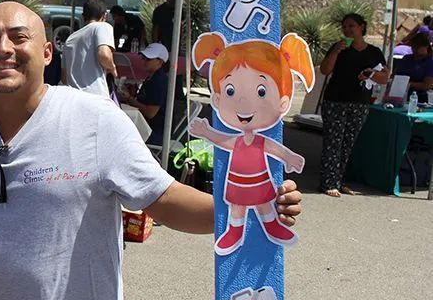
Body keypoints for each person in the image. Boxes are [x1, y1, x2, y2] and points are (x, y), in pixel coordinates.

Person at [0, 2, 302, 300]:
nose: (3, 48)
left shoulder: (94, 121)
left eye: (18, 37)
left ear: (48, 52)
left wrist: (250, 208)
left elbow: (165, 199)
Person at [190, 33, 314, 254]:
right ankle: (234, 231)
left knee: (265, 203)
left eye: (261, 91)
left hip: (259, 180)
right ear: (217, 99)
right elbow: (224, 141)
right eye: (230, 91)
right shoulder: (237, 141)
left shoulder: (259, 141)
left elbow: (273, 148)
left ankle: (272, 225)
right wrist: (207, 132)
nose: (243, 103)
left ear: (283, 101)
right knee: (237, 208)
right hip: (238, 182)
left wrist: (289, 157)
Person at [319, 13, 388, 198]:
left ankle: (339, 181)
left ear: (361, 27)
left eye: (351, 26)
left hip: (359, 103)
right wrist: (336, 51)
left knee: (348, 143)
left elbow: (385, 77)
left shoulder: (373, 52)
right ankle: (328, 182)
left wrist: (371, 74)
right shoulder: (338, 47)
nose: (348, 30)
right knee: (333, 142)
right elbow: (325, 70)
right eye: (345, 27)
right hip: (335, 101)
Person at [61, 0, 116, 99]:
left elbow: (64, 77)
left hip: (73, 97)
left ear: (83, 16)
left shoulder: (70, 39)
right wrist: (112, 68)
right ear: (104, 15)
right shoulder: (102, 26)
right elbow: (104, 55)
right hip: (95, 97)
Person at [118, 42, 169, 144]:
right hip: (146, 126)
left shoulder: (159, 81)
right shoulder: (152, 77)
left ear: (159, 62)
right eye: (144, 58)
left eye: (148, 59)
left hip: (151, 131)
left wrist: (130, 99)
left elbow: (150, 113)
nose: (144, 61)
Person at [394, 32, 433, 103]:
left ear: (426, 46)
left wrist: (408, 84)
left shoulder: (429, 62)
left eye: (417, 47)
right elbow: (395, 75)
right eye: (413, 47)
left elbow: (428, 85)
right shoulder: (406, 58)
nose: (415, 50)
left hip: (420, 98)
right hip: (399, 94)